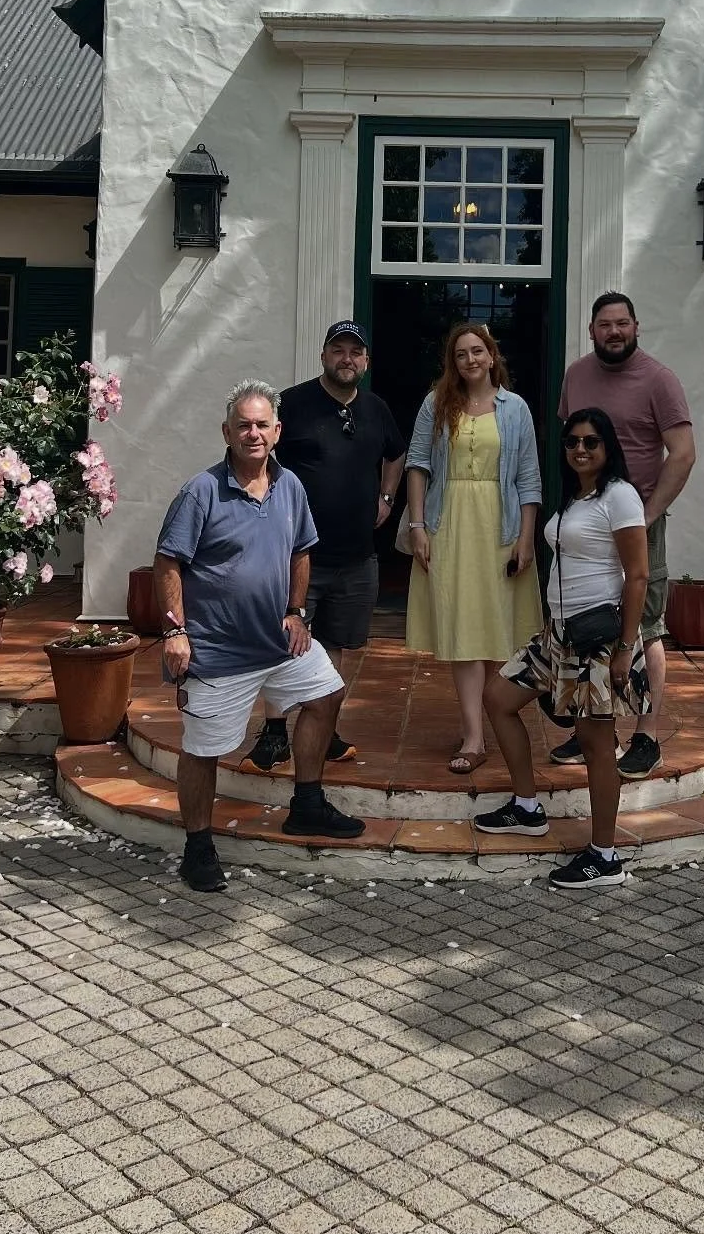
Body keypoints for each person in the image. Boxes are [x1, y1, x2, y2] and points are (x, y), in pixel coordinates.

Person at [154, 379, 365, 894]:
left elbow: (301, 550)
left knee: (327, 694)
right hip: (217, 651)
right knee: (202, 750)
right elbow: (168, 562)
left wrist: (296, 611)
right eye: (243, 425)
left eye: (262, 425)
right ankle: (198, 848)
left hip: (278, 643)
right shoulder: (201, 491)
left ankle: (307, 804)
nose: (253, 433)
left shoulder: (290, 486)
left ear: (277, 431)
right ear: (227, 432)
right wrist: (175, 630)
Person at [474, 407, 650, 888]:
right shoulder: (576, 497)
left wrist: (625, 648)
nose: (580, 450)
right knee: (498, 698)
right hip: (557, 635)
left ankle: (605, 856)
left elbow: (637, 576)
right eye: (572, 442)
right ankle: (527, 807)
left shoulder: (620, 496)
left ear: (607, 446)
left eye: (591, 442)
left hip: (597, 640)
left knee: (596, 746)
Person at [249, 321, 405, 773]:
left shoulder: (376, 409)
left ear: (366, 361)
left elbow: (396, 453)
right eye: (338, 350)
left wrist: (387, 496)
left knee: (334, 645)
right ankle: (275, 732)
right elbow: (258, 451)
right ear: (323, 356)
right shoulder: (292, 404)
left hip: (356, 555)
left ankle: (326, 725)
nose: (346, 359)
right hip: (298, 554)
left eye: (355, 352)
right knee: (284, 641)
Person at [555, 292, 694, 778]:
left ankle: (646, 734)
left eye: (622, 323)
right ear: (591, 330)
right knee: (586, 619)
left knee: (645, 627)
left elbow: (683, 453)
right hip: (586, 519)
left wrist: (648, 515)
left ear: (636, 326)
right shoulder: (576, 375)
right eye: (604, 324)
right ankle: (592, 729)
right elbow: (571, 444)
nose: (613, 332)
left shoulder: (659, 379)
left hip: (636, 522)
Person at [404, 321, 543, 773]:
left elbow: (529, 478)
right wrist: (418, 526)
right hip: (449, 526)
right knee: (462, 631)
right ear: (453, 361)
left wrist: (526, 537)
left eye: (477, 351)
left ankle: (500, 720)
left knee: (498, 630)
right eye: (461, 353)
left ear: (491, 355)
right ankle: (473, 736)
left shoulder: (515, 408)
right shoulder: (435, 403)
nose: (470, 360)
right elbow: (417, 466)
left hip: (500, 527)